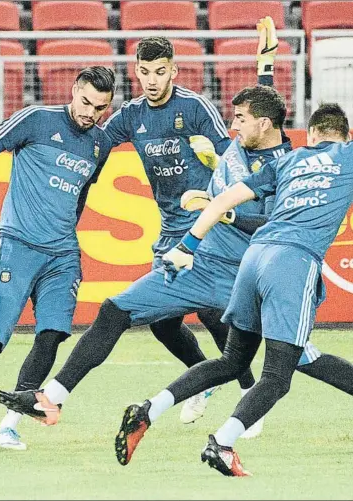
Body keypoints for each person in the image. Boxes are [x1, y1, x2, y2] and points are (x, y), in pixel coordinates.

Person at [0, 26, 353, 434]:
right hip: (195, 262)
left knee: (295, 358)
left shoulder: (282, 165)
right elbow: (261, 106)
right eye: (234, 118)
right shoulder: (240, 143)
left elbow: (271, 222)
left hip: (244, 273)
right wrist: (266, 65)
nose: (231, 126)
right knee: (116, 310)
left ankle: (245, 402)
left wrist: (223, 213)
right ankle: (50, 399)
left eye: (240, 119)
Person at [112, 103, 353, 476]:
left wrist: (186, 246)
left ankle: (148, 409)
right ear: (344, 135)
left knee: (234, 361)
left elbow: (221, 202)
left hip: (253, 260)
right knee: (277, 376)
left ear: (314, 134)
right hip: (293, 264)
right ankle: (221, 443)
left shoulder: (287, 162)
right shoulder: (349, 156)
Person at [0, 66, 116, 451]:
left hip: (63, 253)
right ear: (74, 91)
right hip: (17, 243)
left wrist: (63, 229)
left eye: (99, 107)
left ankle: (9, 425)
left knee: (51, 335)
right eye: (85, 102)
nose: (90, 113)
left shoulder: (100, 144)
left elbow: (80, 194)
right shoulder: (36, 119)